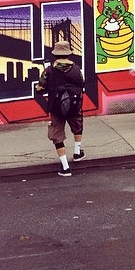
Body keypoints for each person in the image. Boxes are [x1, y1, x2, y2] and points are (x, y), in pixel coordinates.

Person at [36, 41, 86, 176]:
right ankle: (77, 152)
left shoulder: (49, 71)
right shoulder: (77, 69)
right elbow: (82, 84)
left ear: (55, 55)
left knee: (57, 135)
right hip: (74, 106)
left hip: (56, 107)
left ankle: (65, 167)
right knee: (77, 125)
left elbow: (40, 89)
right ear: (69, 54)